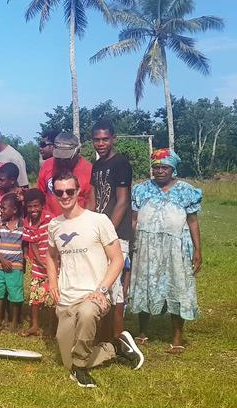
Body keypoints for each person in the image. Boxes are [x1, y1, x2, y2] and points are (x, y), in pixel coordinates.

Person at [45, 171, 143, 388]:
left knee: (87, 313)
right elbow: (50, 257)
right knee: (65, 361)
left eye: (70, 191)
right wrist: (52, 283)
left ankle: (80, 370)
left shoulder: (98, 220)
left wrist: (102, 289)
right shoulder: (54, 225)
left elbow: (117, 259)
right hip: (67, 297)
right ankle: (115, 348)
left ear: (78, 191)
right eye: (59, 192)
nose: (65, 196)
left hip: (95, 294)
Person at [129, 149, 202, 354]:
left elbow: (193, 221)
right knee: (144, 284)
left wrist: (197, 250)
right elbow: (134, 220)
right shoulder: (141, 190)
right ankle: (143, 332)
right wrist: (130, 244)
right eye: (156, 167)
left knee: (177, 285)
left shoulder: (186, 191)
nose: (159, 171)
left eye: (164, 167)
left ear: (173, 169)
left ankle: (177, 337)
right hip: (145, 246)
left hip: (175, 247)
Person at [88, 120, 133, 340]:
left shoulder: (121, 163)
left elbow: (122, 202)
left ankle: (118, 337)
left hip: (117, 235)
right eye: (97, 139)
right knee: (100, 281)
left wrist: (107, 232)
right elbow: (94, 199)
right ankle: (102, 333)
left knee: (114, 286)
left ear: (113, 138)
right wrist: (87, 226)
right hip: (98, 232)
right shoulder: (96, 166)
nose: (101, 143)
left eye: (105, 139)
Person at [0, 194, 26, 332]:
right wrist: (2, 260)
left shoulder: (23, 225)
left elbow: (25, 245)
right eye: (0, 208)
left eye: (4, 208)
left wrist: (24, 262)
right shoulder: (0, 224)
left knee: (15, 296)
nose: (1, 211)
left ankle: (14, 323)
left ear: (14, 210)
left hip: (15, 267)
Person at [20, 189, 55, 337]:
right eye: (30, 207)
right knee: (35, 298)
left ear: (42, 205)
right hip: (38, 267)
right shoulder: (27, 222)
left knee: (52, 300)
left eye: (36, 206)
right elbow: (32, 244)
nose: (33, 209)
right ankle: (34, 325)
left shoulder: (51, 219)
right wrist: (40, 262)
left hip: (53, 265)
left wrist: (51, 263)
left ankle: (51, 327)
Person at [37, 132, 93, 217]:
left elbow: (91, 203)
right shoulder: (47, 165)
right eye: (59, 157)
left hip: (76, 223)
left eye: (66, 158)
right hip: (50, 223)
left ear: (77, 152)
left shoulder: (88, 170)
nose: (62, 161)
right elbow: (39, 196)